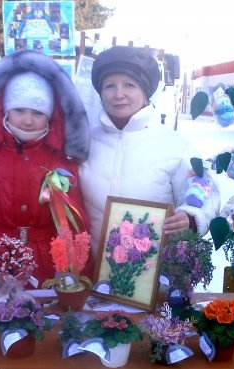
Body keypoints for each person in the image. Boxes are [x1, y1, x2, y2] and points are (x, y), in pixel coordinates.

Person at [0, 50, 91, 288]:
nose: (27, 120)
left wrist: (79, 279)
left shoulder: (63, 161)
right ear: (5, 109)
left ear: (50, 116)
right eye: (19, 110)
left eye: (37, 112)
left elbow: (76, 225)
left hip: (49, 274)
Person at [79, 46, 220, 256]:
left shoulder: (175, 147)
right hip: (91, 273)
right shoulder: (84, 142)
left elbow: (207, 194)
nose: (119, 94)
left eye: (129, 85)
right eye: (109, 86)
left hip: (150, 275)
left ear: (145, 92)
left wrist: (190, 217)